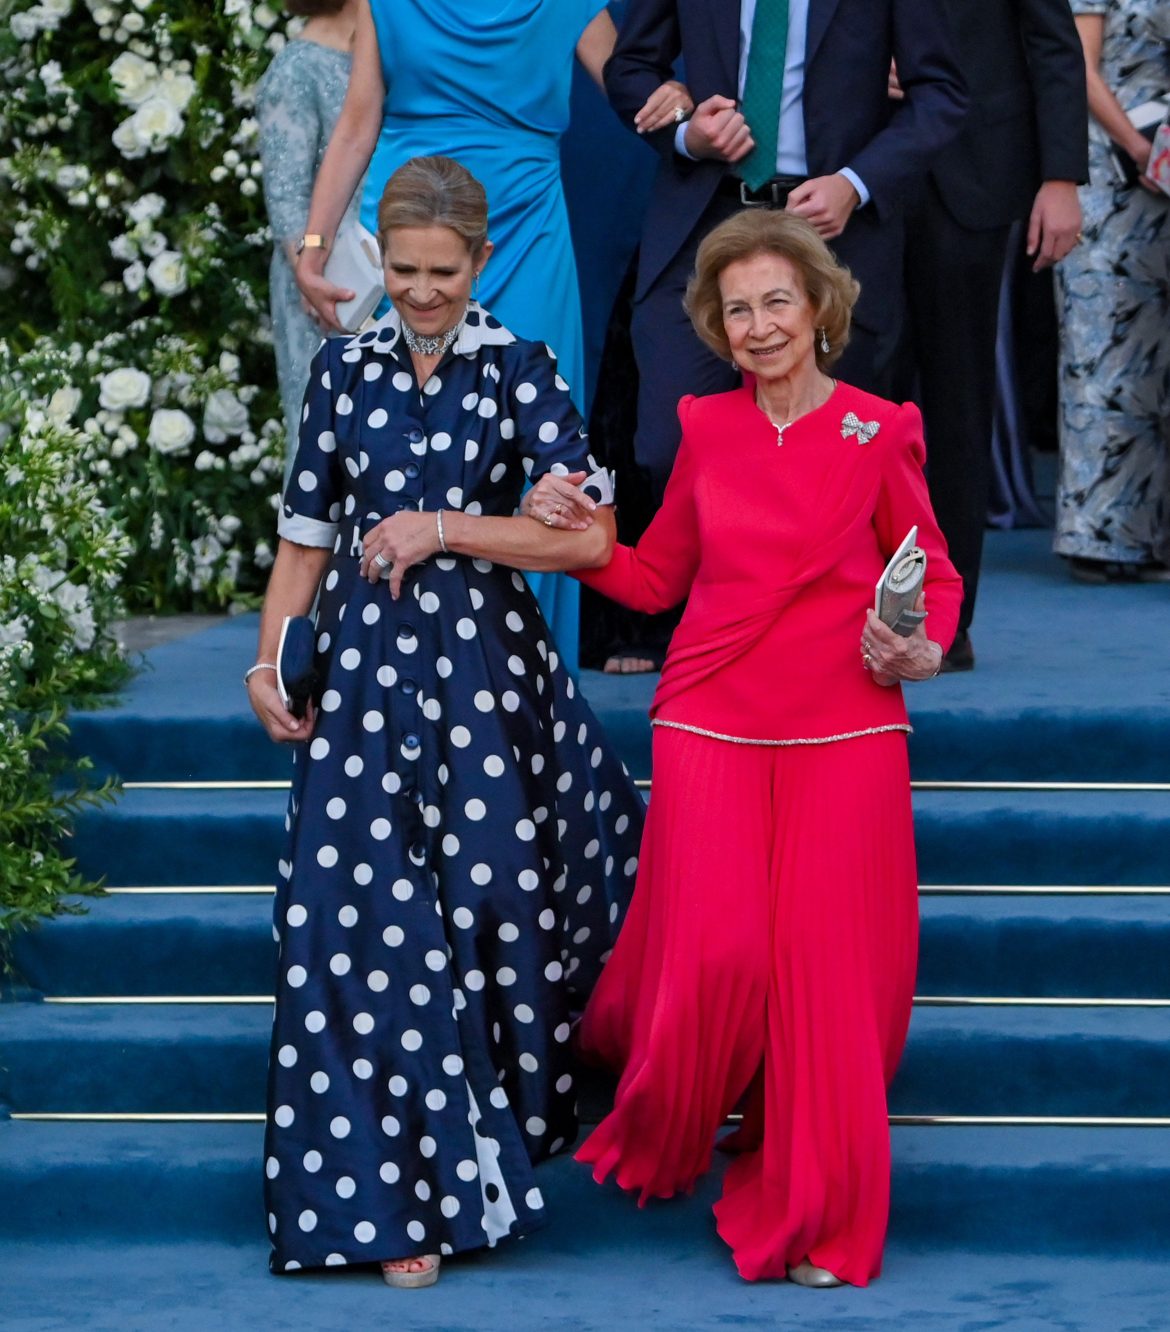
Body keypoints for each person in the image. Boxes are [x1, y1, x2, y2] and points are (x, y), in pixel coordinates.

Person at [523, 209, 963, 1287]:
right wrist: (573, 540)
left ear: (818, 307)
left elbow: (936, 577)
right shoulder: (705, 432)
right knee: (716, 956)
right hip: (710, 719)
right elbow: (656, 579)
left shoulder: (879, 429)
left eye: (777, 301)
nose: (761, 325)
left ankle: (814, 1210)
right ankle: (670, 1106)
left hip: (848, 725)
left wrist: (919, 646)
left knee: (822, 979)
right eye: (738, 310)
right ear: (719, 330)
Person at [245, 155, 645, 1286]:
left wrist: (445, 526)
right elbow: (303, 541)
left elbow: (588, 543)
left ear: (479, 261)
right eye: (407, 270)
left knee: (484, 913)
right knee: (346, 923)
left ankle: (477, 1162)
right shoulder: (344, 373)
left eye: (443, 273)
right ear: (383, 253)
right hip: (365, 683)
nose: (422, 294)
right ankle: (385, 1208)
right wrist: (270, 660)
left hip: (487, 681)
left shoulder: (522, 369)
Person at [292, 0, 693, 669]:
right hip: (411, 232)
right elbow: (358, 124)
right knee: (396, 447)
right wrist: (315, 241)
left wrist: (678, 103)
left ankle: (520, 677)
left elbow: (632, 85)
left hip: (523, 229)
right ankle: (393, 668)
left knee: (543, 457)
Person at [895, 0, 1088, 669]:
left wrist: (1060, 177)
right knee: (854, 405)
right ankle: (850, 612)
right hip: (854, 174)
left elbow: (1052, 40)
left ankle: (946, 620)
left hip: (973, 168)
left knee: (958, 404)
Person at [1053, 0, 1170, 583]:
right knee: (1100, 349)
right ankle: (1094, 533)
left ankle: (1149, 533)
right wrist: (1139, 145)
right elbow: (1079, 67)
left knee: (1154, 366)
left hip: (1162, 174)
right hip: (1109, 171)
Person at [256, 0, 361, 488]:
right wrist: (314, 276)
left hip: (389, 272)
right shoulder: (297, 67)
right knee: (326, 445)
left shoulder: (381, 58)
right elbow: (286, 198)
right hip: (324, 286)